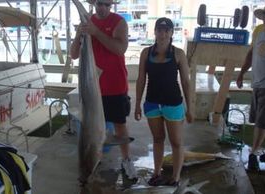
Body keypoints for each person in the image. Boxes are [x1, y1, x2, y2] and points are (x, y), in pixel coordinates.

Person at [70, 0, 137, 180]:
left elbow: (120, 49)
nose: (103, 8)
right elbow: (74, 54)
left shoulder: (119, 22)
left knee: (120, 125)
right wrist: (80, 34)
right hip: (90, 86)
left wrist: (96, 32)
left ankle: (126, 160)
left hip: (114, 85)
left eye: (107, 4)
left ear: (111, 6)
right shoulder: (88, 22)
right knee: (88, 129)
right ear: (95, 4)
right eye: (100, 3)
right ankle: (93, 160)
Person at [135, 17, 193, 186]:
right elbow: (140, 79)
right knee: (158, 139)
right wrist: (138, 103)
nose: (163, 33)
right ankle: (156, 172)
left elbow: (186, 82)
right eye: (159, 30)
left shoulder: (178, 53)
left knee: (176, 141)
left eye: (166, 30)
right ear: (155, 32)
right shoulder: (146, 53)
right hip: (152, 103)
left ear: (171, 33)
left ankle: (175, 176)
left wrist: (190, 108)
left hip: (173, 103)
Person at [236, 0, 265, 171]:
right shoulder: (258, 31)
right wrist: (241, 73)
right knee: (263, 119)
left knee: (262, 122)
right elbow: (251, 54)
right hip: (258, 83)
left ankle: (253, 153)